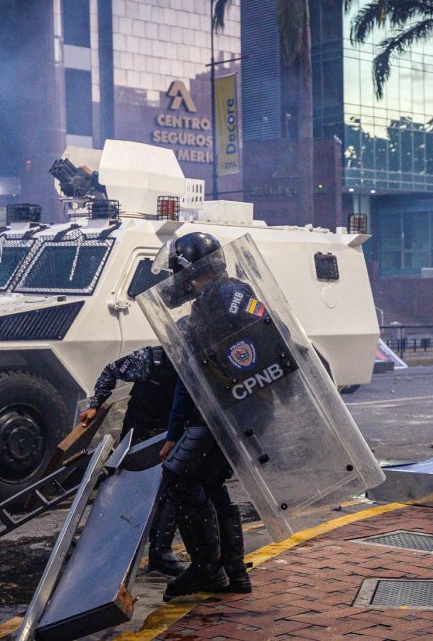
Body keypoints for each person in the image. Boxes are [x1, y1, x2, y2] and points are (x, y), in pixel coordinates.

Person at [157, 232, 255, 601]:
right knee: (211, 484)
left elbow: (191, 377)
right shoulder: (239, 294)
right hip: (242, 409)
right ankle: (233, 574)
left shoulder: (212, 303)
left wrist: (173, 432)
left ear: (187, 271)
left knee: (178, 482)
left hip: (214, 412)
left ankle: (206, 571)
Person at [78, 345, 184, 576]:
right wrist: (95, 404)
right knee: (125, 491)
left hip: (168, 436)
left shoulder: (194, 364)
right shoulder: (149, 359)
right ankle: (103, 549)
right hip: (138, 435)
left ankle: (160, 552)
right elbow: (111, 371)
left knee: (171, 489)